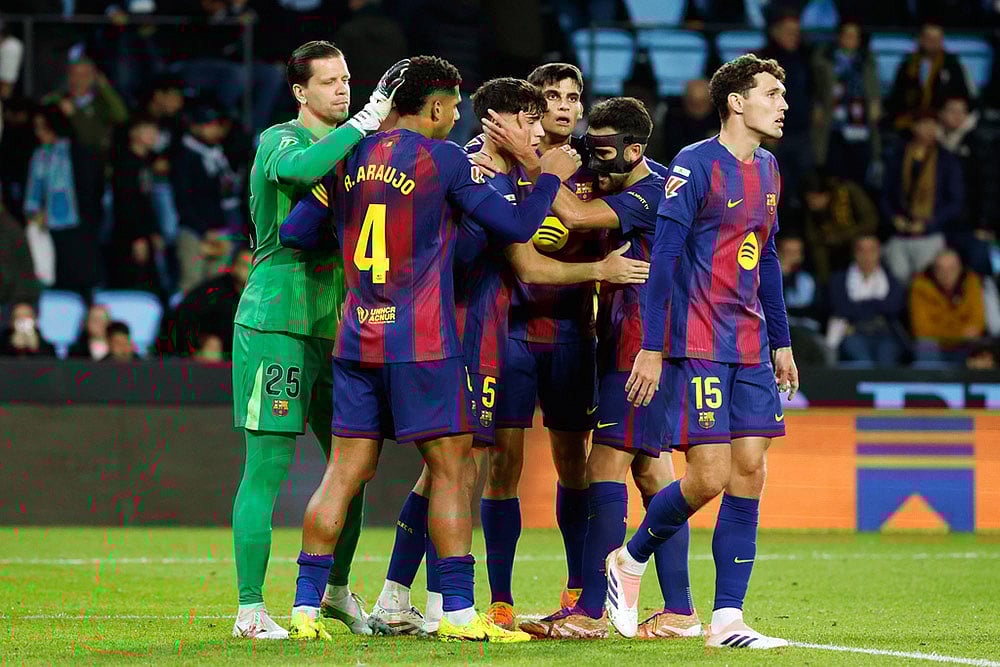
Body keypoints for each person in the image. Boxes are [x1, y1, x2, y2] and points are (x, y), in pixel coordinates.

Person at [280, 55, 581, 643]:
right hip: (424, 342)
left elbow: (294, 232)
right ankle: (462, 615)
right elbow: (516, 227)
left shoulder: (347, 156)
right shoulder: (444, 159)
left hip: (357, 335)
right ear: (439, 106)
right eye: (455, 105)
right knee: (452, 470)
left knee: (344, 471)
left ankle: (304, 609)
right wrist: (543, 173)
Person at [364, 79, 651, 637]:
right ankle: (482, 600)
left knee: (571, 464)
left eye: (572, 98)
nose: (561, 108)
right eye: (548, 100)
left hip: (573, 334)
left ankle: (577, 591)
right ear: (525, 114)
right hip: (494, 333)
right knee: (467, 465)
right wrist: (597, 265)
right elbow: (527, 260)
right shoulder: (480, 169)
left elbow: (607, 214)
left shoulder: (592, 171)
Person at [613, 54, 797, 650]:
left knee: (751, 472)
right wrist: (652, 347)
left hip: (748, 344)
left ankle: (727, 621)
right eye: (772, 93)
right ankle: (630, 558)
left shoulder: (769, 170)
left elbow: (764, 256)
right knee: (710, 474)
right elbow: (663, 259)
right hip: (697, 342)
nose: (784, 102)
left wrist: (781, 339)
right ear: (737, 102)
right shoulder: (694, 166)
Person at [229, 40, 408, 641]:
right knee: (268, 467)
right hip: (278, 322)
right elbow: (304, 173)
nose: (343, 89)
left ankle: (334, 590)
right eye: (329, 82)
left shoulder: (359, 153)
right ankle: (250, 609)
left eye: (348, 79)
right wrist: (365, 120)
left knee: (350, 468)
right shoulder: (280, 140)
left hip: (342, 328)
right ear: (300, 93)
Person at [518, 97, 699, 641]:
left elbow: (570, 214)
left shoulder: (651, 192)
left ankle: (592, 610)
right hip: (621, 340)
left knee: (604, 470)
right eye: (589, 151)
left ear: (635, 150)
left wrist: (546, 172)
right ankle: (681, 611)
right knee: (653, 472)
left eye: (602, 152)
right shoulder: (622, 182)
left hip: (640, 348)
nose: (593, 162)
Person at [879, 111, 964, 284]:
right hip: (900, 233)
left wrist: (928, 224)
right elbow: (884, 195)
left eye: (933, 125)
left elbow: (955, 202)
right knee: (897, 276)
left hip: (930, 234)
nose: (929, 130)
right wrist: (894, 219)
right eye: (925, 125)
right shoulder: (897, 156)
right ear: (914, 127)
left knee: (926, 280)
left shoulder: (947, 160)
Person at [827, 235, 907, 367]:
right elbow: (841, 308)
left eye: (871, 250)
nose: (867, 255)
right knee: (862, 362)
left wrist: (859, 306)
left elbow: (894, 307)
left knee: (887, 359)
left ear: (879, 253)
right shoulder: (839, 279)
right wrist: (877, 304)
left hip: (885, 333)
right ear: (854, 253)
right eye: (861, 250)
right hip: (852, 332)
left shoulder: (891, 279)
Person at [886, 20, 971, 131]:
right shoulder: (907, 64)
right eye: (929, 38)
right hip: (912, 122)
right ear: (921, 39)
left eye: (937, 39)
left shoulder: (952, 64)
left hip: (943, 122)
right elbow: (897, 97)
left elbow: (962, 96)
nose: (933, 42)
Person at [910, 247, 985, 365]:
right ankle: (930, 383)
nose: (946, 274)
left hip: (965, 345)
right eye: (941, 269)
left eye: (952, 269)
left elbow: (977, 321)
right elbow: (922, 330)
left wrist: (965, 334)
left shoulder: (971, 282)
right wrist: (960, 333)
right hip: (935, 346)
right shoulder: (919, 286)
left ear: (960, 268)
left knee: (983, 354)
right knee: (925, 345)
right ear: (934, 270)